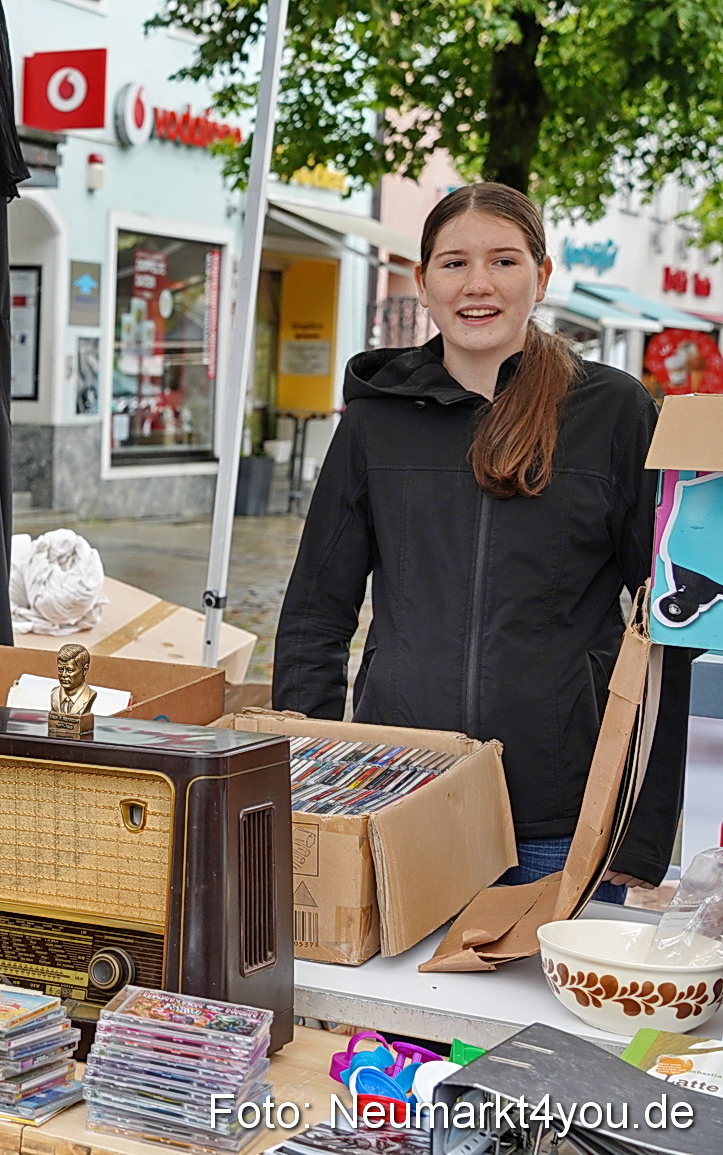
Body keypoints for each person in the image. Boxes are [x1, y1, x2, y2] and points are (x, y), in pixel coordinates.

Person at [273, 182, 693, 904]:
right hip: (395, 794)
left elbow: (668, 622)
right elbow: (316, 613)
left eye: (503, 261)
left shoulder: (616, 412)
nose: (477, 285)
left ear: (542, 275)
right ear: (423, 282)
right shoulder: (375, 424)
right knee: (392, 1018)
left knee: (541, 1020)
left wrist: (643, 825)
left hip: (563, 816)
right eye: (453, 263)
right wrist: (305, 788)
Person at [49, 643, 97, 716]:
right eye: (61, 669)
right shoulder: (54, 693)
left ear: (85, 669)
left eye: (70, 670)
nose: (64, 674)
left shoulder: (89, 695)